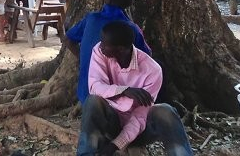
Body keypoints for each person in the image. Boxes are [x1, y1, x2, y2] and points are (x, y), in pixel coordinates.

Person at [77, 21, 193, 156]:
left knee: (166, 111)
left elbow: (140, 117)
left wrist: (116, 145)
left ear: (120, 49)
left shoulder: (153, 71)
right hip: (111, 123)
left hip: (139, 131)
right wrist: (125, 90)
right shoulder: (99, 52)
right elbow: (95, 87)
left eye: (104, 44)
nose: (100, 46)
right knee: (93, 101)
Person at [65, 0, 152, 104]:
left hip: (86, 94)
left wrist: (82, 59)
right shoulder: (131, 28)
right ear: (130, 4)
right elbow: (147, 55)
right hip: (118, 98)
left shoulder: (91, 19)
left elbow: (68, 39)